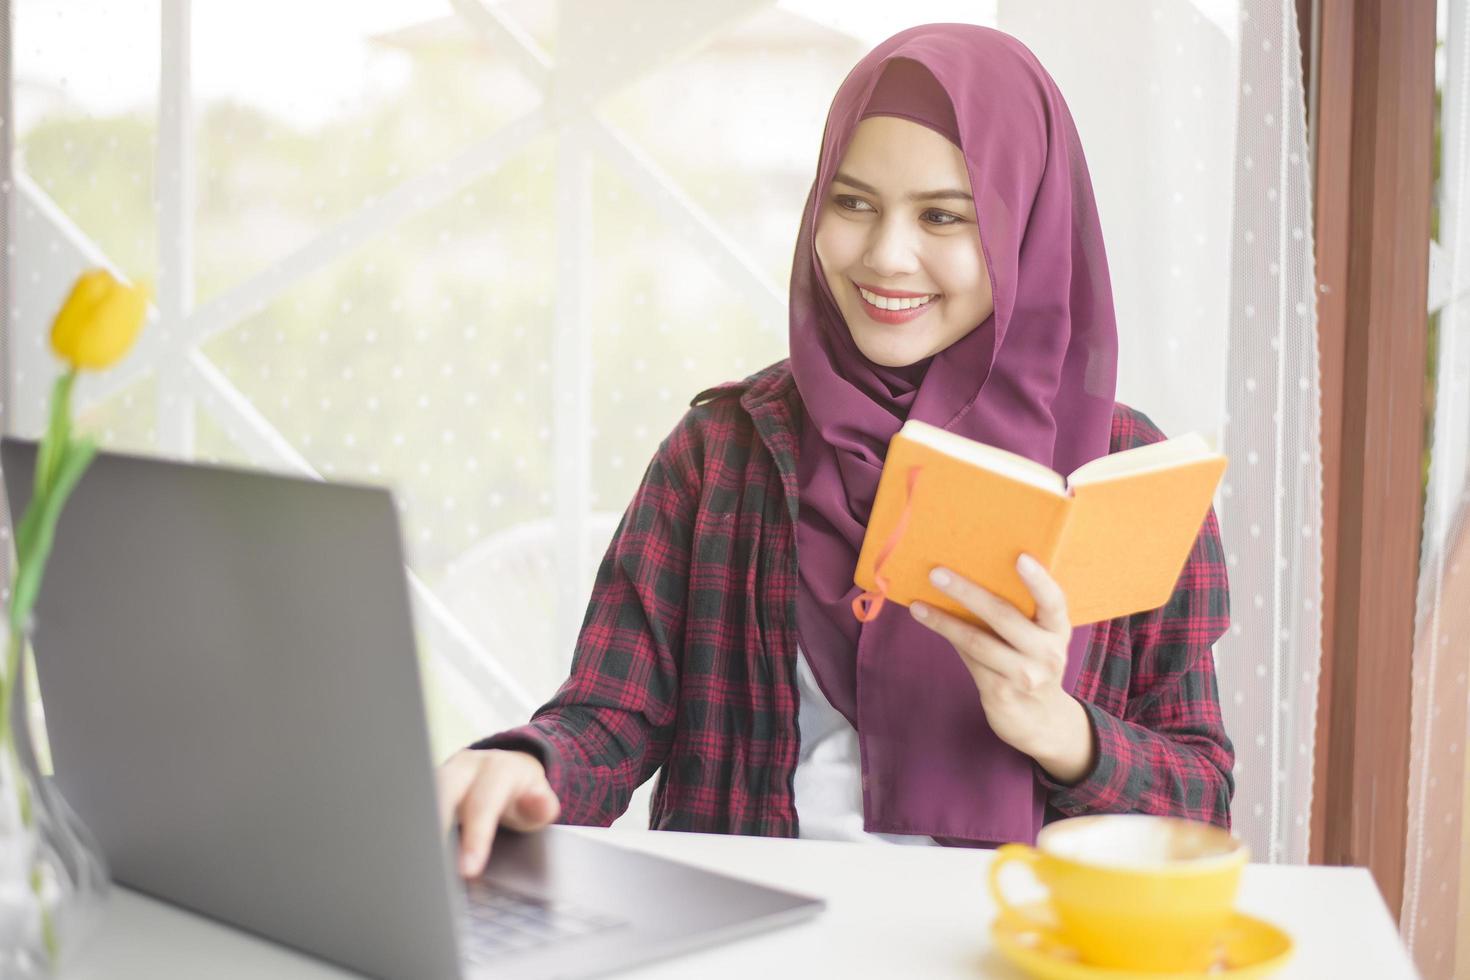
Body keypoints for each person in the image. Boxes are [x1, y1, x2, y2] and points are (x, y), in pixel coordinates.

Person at [436, 23, 1233, 877]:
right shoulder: (721, 454)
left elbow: (1202, 803)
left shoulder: (1120, 474)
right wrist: (523, 763)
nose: (887, 256)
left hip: (1008, 942)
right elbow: (609, 717)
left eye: (943, 216)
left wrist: (1061, 731)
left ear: (1024, 223)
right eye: (852, 203)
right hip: (749, 935)